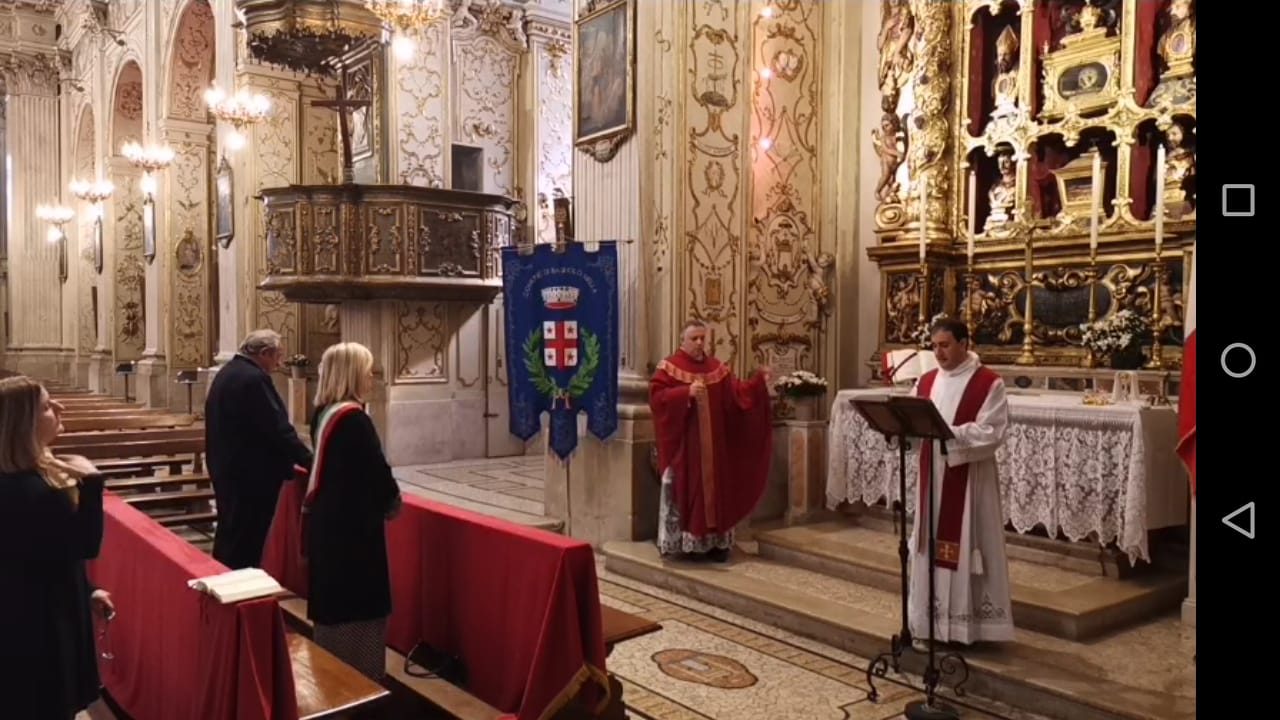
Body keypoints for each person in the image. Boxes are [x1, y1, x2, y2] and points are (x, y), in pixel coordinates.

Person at [0, 376, 116, 718]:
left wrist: (88, 590)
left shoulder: (18, 479)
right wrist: (92, 484)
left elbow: (43, 553)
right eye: (47, 406)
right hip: (38, 628)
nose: (60, 407)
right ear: (24, 424)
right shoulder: (32, 491)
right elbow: (84, 545)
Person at [908, 318, 1014, 645]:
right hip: (932, 478)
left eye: (945, 345)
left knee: (965, 544)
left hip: (968, 480)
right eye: (934, 346)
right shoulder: (926, 381)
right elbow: (910, 421)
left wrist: (947, 433)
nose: (938, 353)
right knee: (929, 544)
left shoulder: (988, 383)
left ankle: (964, 627)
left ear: (964, 343)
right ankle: (927, 624)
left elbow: (992, 431)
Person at [302, 342, 402, 680]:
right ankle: (360, 683)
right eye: (367, 371)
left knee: (333, 602)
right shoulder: (354, 420)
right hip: (353, 531)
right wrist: (392, 501)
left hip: (328, 523)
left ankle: (330, 674)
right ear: (352, 374)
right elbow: (377, 472)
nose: (371, 378)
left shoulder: (323, 413)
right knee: (358, 605)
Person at [649, 320, 773, 561]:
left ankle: (717, 544)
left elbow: (737, 394)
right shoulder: (669, 367)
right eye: (694, 338)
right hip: (687, 448)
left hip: (714, 449)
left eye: (702, 338)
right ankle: (692, 544)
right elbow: (657, 398)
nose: (699, 343)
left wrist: (758, 382)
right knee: (691, 491)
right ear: (682, 340)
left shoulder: (716, 368)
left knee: (717, 493)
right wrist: (685, 393)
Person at [206, 329, 313, 569]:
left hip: (227, 468)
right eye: (278, 355)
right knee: (248, 539)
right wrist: (309, 460)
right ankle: (241, 582)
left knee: (230, 530)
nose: (279, 363)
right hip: (251, 476)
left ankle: (221, 575)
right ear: (264, 353)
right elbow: (277, 428)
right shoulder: (253, 379)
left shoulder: (227, 372)